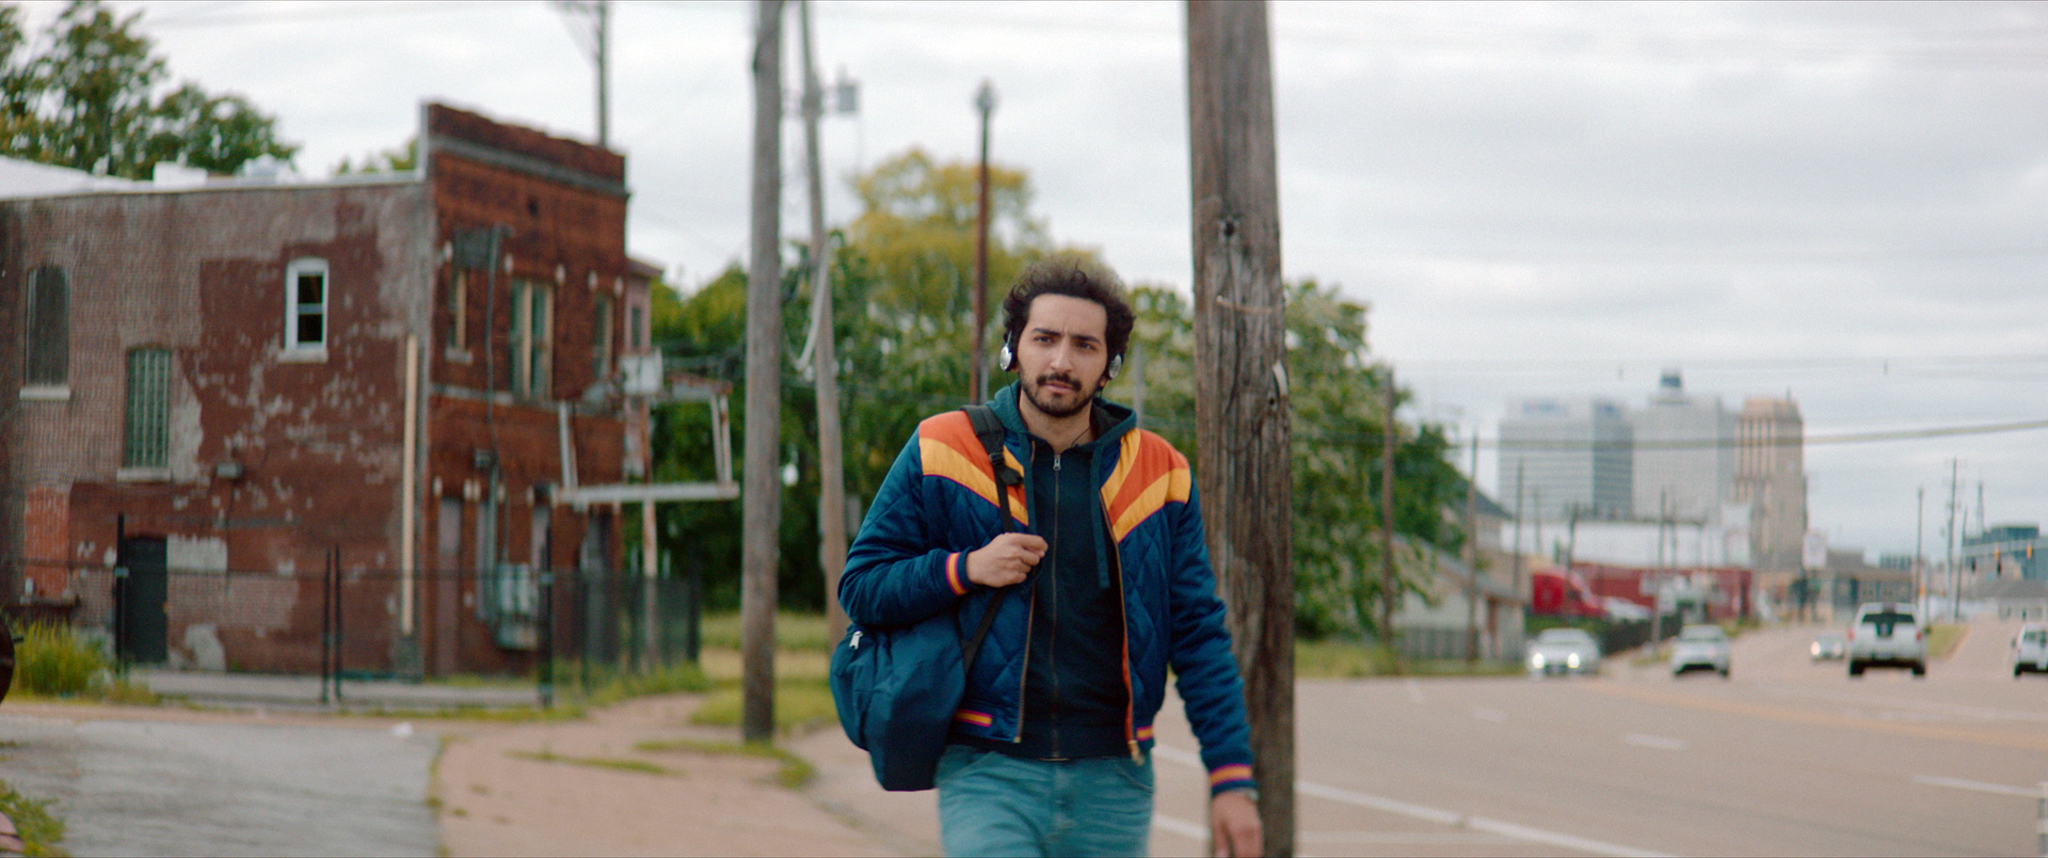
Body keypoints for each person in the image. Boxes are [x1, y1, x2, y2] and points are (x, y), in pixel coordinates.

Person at [840, 256, 1263, 858]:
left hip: (1116, 783)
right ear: (1014, 348)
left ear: (1110, 365)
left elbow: (1198, 635)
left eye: (1085, 345)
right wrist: (965, 569)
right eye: (1044, 339)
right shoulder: (943, 447)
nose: (1062, 361)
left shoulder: (1160, 473)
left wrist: (1231, 777)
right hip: (988, 771)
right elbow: (862, 585)